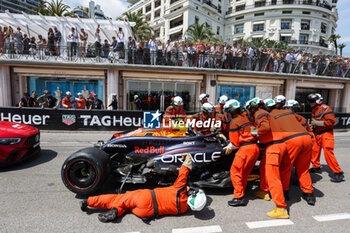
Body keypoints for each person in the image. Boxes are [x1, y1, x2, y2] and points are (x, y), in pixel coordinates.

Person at [79, 153, 207, 223]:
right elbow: (185, 197)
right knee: (124, 205)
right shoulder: (184, 209)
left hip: (145, 198)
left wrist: (187, 158)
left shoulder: (179, 190)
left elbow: (183, 172)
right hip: (146, 213)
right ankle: (116, 211)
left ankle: (88, 201)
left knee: (119, 198)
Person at [245, 97, 289, 219]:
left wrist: (254, 132)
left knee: (273, 177)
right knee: (264, 168)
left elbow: (264, 128)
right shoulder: (265, 113)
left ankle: (281, 208)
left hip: (274, 147)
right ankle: (264, 191)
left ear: (252, 107)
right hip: (277, 145)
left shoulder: (259, 113)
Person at [272, 95, 315, 206]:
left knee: (286, 167)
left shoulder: (275, 115)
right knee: (304, 169)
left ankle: (285, 192)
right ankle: (308, 194)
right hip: (306, 140)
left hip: (292, 141)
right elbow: (310, 133)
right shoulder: (300, 118)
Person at [223, 99, 259, 207]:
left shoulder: (234, 122)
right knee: (244, 172)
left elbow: (234, 143)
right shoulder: (248, 119)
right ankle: (242, 191)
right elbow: (256, 133)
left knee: (235, 171)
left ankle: (239, 197)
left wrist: (227, 148)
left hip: (245, 149)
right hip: (255, 148)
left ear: (231, 111)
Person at [307, 93, 344, 182]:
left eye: (312, 101)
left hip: (326, 133)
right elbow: (314, 122)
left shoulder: (325, 108)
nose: (310, 103)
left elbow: (332, 121)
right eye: (310, 102)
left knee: (328, 153)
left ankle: (338, 172)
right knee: (314, 151)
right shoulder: (314, 109)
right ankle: (316, 167)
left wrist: (318, 123)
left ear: (317, 101)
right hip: (317, 134)